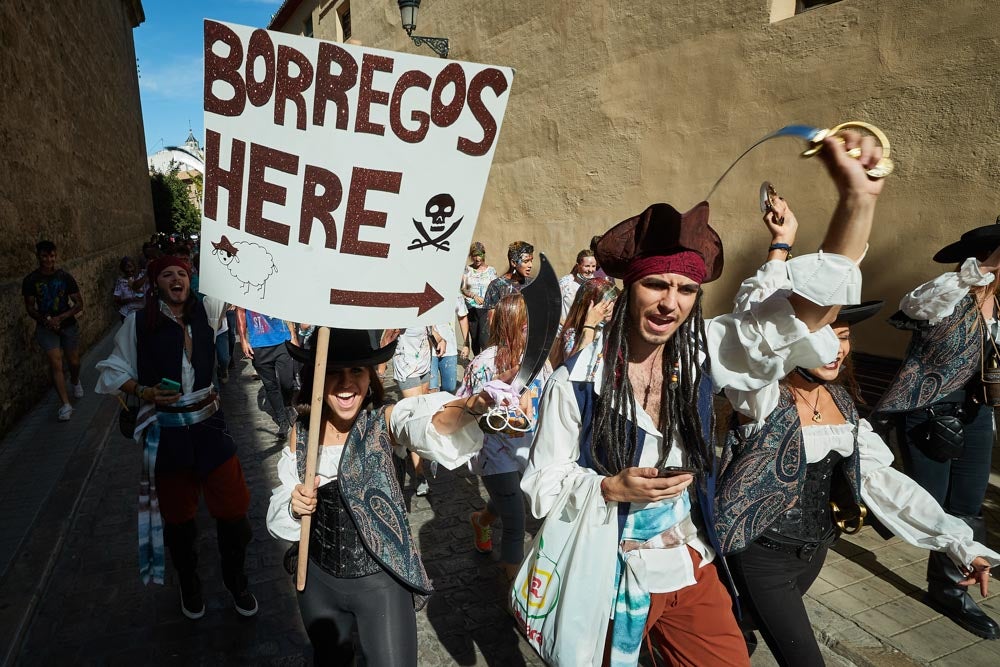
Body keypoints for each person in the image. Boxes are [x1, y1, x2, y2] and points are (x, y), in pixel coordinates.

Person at [521, 132, 885, 666]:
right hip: (604, 566)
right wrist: (607, 486)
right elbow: (541, 487)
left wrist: (858, 201)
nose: (671, 303)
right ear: (630, 288)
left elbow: (801, 316)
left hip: (688, 559)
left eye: (686, 290)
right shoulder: (576, 380)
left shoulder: (705, 354)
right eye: (657, 286)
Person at [714, 198, 997, 665]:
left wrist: (957, 542)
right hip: (758, 553)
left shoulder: (844, 405)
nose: (834, 348)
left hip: (813, 552)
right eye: (824, 334)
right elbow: (754, 323)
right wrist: (780, 248)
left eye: (844, 337)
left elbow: (886, 483)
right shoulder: (760, 396)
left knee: (740, 628)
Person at [265, 328, 505, 665]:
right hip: (317, 583)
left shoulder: (385, 420)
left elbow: (430, 423)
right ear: (315, 376)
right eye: (333, 372)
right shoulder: (300, 432)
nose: (346, 384)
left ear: (372, 374)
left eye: (357, 371)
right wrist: (295, 505)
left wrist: (473, 406)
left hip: (381, 584)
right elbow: (282, 504)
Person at [95, 255, 257, 620]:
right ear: (157, 285)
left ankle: (237, 581)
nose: (176, 278)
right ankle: (189, 582)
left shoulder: (208, 311)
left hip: (210, 428)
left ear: (191, 279)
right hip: (167, 434)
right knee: (179, 521)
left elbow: (235, 274)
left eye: (182, 273)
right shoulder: (138, 324)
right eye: (167, 274)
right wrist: (145, 392)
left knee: (235, 512)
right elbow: (111, 369)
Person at [874, 222, 1000, 640]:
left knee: (968, 502)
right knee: (931, 500)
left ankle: (949, 590)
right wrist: (978, 272)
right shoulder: (949, 291)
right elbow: (913, 305)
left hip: (976, 412)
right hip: (928, 410)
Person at [458, 293, 551, 585]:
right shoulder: (483, 364)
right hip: (493, 451)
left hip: (528, 448)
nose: (534, 329)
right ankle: (513, 594)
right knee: (515, 521)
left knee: (507, 500)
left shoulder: (538, 360)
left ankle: (481, 519)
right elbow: (463, 408)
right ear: (516, 325)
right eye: (528, 324)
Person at [22, 240, 85, 421]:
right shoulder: (31, 280)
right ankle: (65, 404)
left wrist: (61, 318)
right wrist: (46, 320)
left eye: (51, 256)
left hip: (68, 325)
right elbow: (30, 307)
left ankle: (74, 380)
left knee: (73, 362)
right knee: (55, 363)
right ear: (38, 257)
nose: (48, 260)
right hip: (46, 328)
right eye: (44, 256)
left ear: (55, 256)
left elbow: (79, 304)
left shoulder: (64, 277)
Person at [391, 326, 445, 495]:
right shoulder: (400, 309)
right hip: (406, 368)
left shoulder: (425, 309)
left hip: (424, 365)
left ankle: (404, 445)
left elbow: (432, 331)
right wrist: (379, 365)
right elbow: (386, 338)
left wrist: (441, 340)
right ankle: (419, 473)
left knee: (424, 413)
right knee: (417, 419)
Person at [237, 308, 297, 438]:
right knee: (270, 386)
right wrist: (243, 339)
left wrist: (293, 335)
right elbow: (240, 311)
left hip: (282, 340)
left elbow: (288, 305)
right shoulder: (247, 288)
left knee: (287, 381)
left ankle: (288, 405)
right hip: (259, 345)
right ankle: (282, 420)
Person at [549, 276, 619, 371]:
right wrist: (590, 325)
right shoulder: (572, 334)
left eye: (613, 302)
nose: (611, 307)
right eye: (605, 303)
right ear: (591, 306)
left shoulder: (611, 329)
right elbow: (578, 367)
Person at [461, 242, 498, 355]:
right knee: (475, 338)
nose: (477, 258)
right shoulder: (467, 270)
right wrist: (474, 296)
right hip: (472, 308)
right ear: (471, 256)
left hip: (486, 309)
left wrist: (488, 299)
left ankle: (485, 361)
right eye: (474, 255)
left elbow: (495, 290)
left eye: (480, 255)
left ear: (484, 254)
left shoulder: (491, 271)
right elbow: (463, 289)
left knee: (485, 338)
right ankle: (476, 359)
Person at [429, 296, 470, 395]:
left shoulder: (456, 295)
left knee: (450, 388)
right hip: (427, 349)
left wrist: (466, 344)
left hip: (450, 347)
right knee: (431, 390)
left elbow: (463, 317)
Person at [482, 241, 533, 312]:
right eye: (526, 261)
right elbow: (490, 319)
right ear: (514, 263)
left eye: (531, 261)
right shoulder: (496, 286)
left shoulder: (532, 284)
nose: (530, 265)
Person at [559, 249, 599, 321]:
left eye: (593, 266)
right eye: (587, 266)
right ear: (578, 266)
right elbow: (553, 307)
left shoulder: (598, 285)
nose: (590, 270)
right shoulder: (566, 283)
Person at [114, 256, 146, 322]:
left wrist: (135, 288)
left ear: (134, 267)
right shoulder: (120, 281)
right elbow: (117, 299)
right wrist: (131, 299)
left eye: (130, 266)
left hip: (142, 312)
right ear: (123, 269)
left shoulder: (141, 278)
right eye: (126, 267)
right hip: (127, 313)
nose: (129, 270)